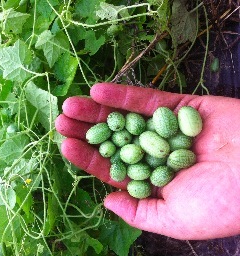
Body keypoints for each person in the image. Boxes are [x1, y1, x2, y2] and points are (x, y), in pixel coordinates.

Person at [55, 82, 240, 241]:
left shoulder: (168, 148)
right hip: (143, 153)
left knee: (169, 154)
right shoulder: (134, 148)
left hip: (156, 152)